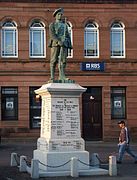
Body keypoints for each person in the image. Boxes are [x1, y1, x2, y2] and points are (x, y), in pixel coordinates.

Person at [48, 7, 72, 82]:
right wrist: (58, 41)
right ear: (55, 16)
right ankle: (52, 77)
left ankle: (62, 76)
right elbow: (52, 35)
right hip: (55, 44)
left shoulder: (65, 25)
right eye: (58, 14)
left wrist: (69, 44)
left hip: (64, 44)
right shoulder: (52, 25)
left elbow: (68, 35)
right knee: (54, 60)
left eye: (61, 14)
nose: (60, 16)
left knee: (63, 60)